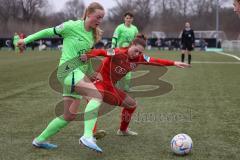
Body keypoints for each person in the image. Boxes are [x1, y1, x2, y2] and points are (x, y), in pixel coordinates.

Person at [79, 34, 190, 152]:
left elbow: (155, 60)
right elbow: (101, 51)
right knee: (95, 102)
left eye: (140, 52)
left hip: (110, 88)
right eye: (136, 50)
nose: (137, 54)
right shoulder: (117, 52)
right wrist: (88, 55)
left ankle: (122, 130)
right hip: (99, 83)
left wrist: (173, 63)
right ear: (131, 45)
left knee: (131, 104)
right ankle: (89, 136)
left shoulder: (139, 58)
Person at [18, 2, 105, 150]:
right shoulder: (71, 26)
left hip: (77, 74)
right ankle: (87, 136)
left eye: (102, 18)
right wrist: (25, 40)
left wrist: (92, 73)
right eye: (98, 17)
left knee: (68, 116)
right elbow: (46, 32)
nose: (99, 21)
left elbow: (85, 57)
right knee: (96, 96)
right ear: (88, 14)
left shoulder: (92, 35)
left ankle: (39, 140)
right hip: (67, 70)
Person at [111, 12, 139, 92]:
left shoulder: (134, 29)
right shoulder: (119, 28)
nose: (128, 19)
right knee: (118, 69)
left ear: (132, 19)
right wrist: (113, 47)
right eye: (127, 18)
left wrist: (136, 49)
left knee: (128, 69)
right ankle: (116, 87)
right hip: (119, 51)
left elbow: (136, 40)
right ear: (124, 19)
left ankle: (126, 88)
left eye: (130, 18)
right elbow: (114, 38)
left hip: (129, 53)